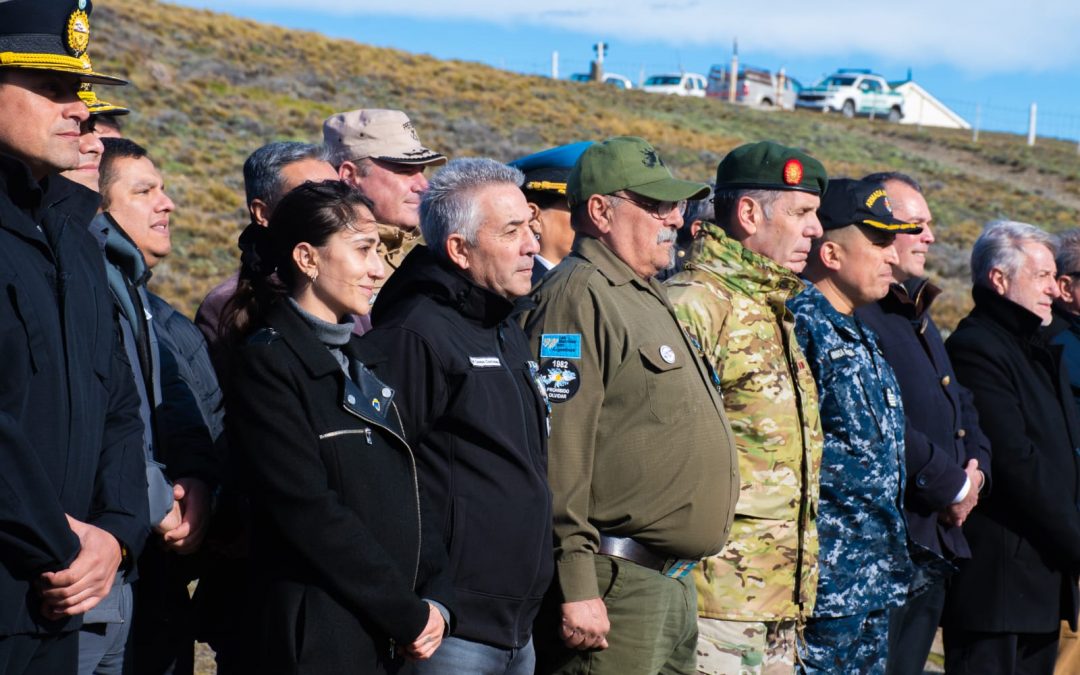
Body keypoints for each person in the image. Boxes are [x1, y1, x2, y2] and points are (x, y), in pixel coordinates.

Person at [522, 136, 739, 675]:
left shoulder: (640, 290)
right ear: (601, 211)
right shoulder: (577, 295)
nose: (675, 218)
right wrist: (576, 582)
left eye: (676, 204)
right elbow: (560, 449)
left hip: (667, 585)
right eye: (656, 204)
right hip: (613, 587)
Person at [223, 180, 454, 674]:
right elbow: (308, 510)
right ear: (307, 258)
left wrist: (436, 599)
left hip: (388, 634)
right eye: (363, 250)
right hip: (317, 637)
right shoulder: (268, 364)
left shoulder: (367, 361)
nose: (378, 269)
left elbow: (410, 487)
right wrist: (406, 612)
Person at [0, 1, 150, 672]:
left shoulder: (74, 236)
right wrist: (63, 545)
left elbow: (118, 405)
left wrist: (116, 534)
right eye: (52, 87)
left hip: (61, 606)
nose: (80, 109)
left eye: (81, 90)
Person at [362, 158, 552, 674]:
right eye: (511, 231)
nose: (532, 244)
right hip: (448, 631)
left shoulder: (502, 325)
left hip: (517, 627)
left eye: (530, 226)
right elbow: (379, 480)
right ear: (459, 250)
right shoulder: (415, 334)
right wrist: (421, 601)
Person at [666, 141, 826, 674]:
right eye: (801, 213)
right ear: (750, 214)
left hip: (779, 604)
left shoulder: (770, 307)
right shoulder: (696, 305)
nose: (816, 230)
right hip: (715, 607)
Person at [853, 172, 992, 675]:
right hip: (885, 548)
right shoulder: (859, 310)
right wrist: (950, 484)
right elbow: (880, 418)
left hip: (931, 543)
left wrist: (976, 475)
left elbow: (961, 405)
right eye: (916, 225)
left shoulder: (915, 309)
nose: (930, 237)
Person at [91, 138, 220, 674]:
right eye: (144, 192)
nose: (167, 204)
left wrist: (197, 482)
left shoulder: (156, 313)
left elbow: (183, 411)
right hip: (100, 565)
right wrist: (157, 498)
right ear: (98, 206)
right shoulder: (89, 296)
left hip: (156, 571)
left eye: (163, 189)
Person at [788, 177, 920, 673]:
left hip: (869, 581)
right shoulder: (801, 324)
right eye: (879, 243)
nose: (892, 256)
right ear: (831, 254)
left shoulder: (859, 330)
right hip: (821, 587)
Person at [943, 221, 1080, 675]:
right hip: (997, 589)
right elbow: (1017, 463)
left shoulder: (1032, 347)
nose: (1053, 289)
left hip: (1039, 580)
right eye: (1042, 276)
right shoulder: (977, 347)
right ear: (999, 279)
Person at [195, 141, 339, 352]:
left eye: (340, 192)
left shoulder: (355, 281)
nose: (337, 209)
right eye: (312, 197)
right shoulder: (226, 307)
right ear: (262, 212)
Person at [323, 108, 447, 294]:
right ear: (349, 176)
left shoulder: (412, 255)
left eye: (422, 171)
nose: (423, 186)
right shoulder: (324, 267)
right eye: (405, 171)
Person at [507, 141, 593, 285]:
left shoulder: (585, 281)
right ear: (533, 217)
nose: (591, 220)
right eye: (577, 209)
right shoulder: (521, 288)